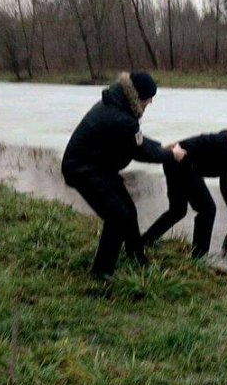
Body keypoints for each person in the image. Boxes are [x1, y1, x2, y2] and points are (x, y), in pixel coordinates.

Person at [61, 71, 186, 280]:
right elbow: (140, 151)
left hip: (98, 166)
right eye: (149, 98)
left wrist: (161, 147)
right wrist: (172, 155)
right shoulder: (121, 117)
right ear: (139, 96)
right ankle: (101, 273)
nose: (150, 103)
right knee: (117, 216)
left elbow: (136, 140)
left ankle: (135, 256)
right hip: (83, 170)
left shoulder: (118, 105)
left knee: (128, 209)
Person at [142, 129, 227, 258]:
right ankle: (199, 257)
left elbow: (226, 187)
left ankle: (145, 241)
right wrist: (178, 152)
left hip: (178, 164)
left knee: (178, 210)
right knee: (207, 209)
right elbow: (203, 140)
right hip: (180, 162)